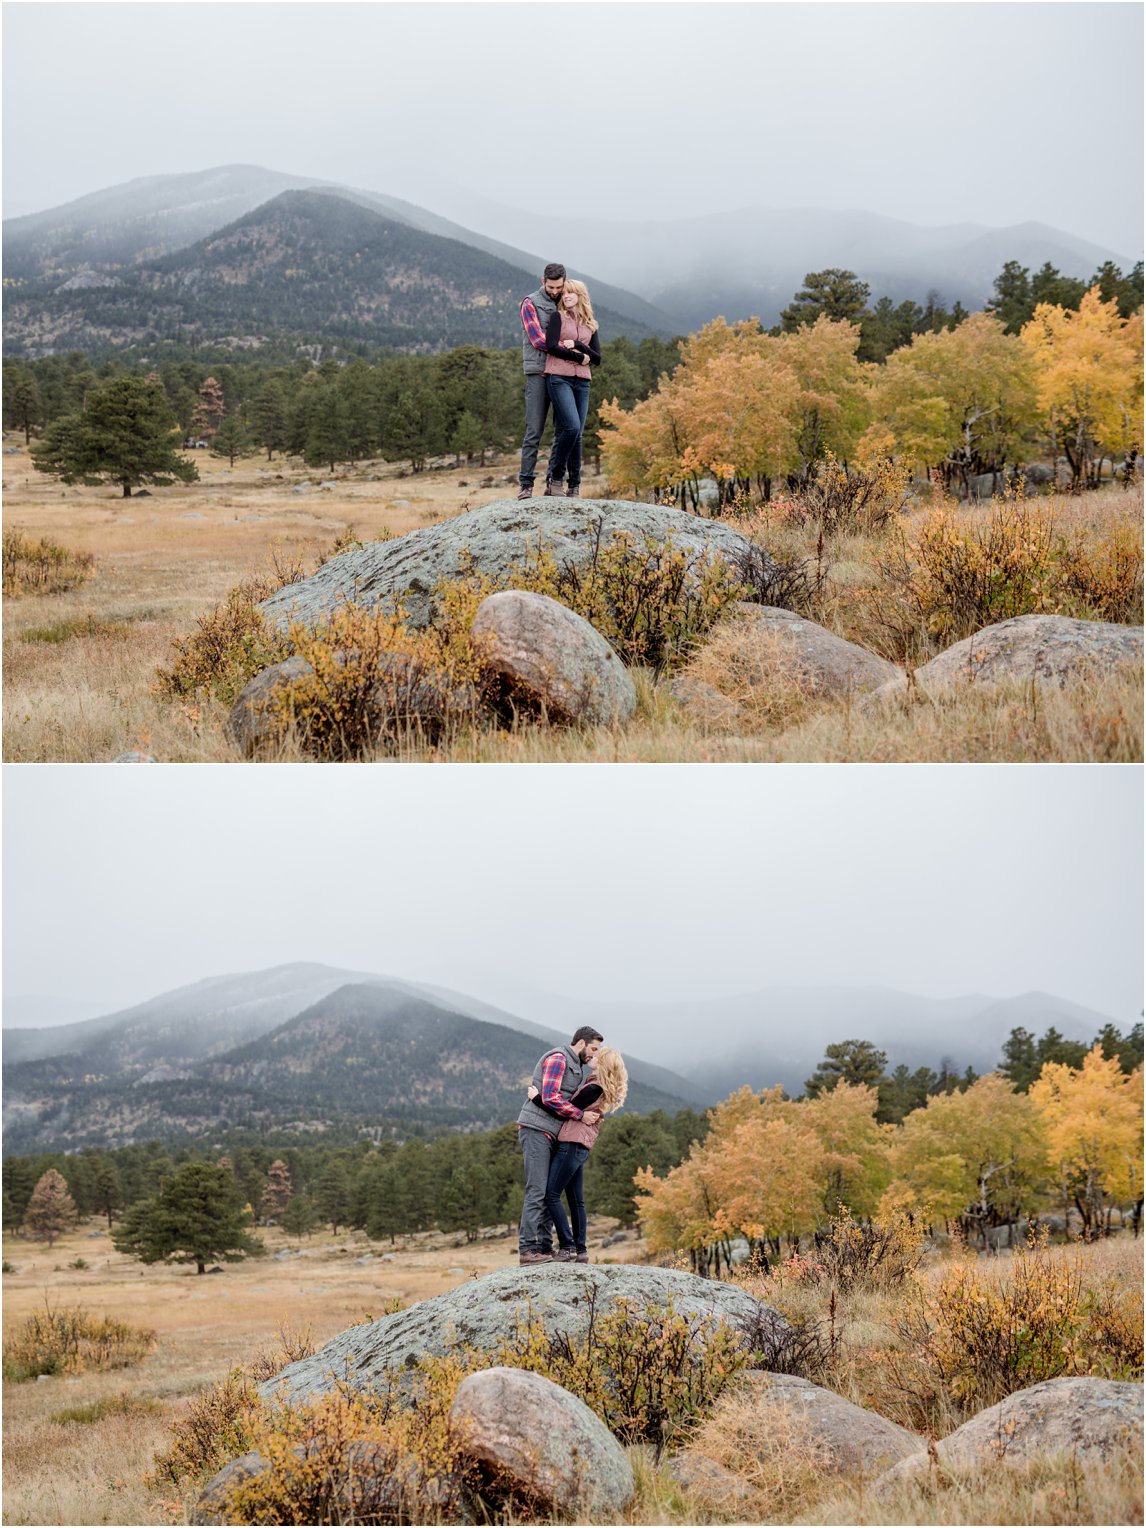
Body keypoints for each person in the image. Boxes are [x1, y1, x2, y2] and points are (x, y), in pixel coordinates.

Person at [516, 1026, 602, 1265]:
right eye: (593, 1049)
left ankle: (543, 1247)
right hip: (536, 1129)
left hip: (552, 1133)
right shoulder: (559, 1058)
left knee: (546, 1191)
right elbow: (552, 1097)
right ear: (582, 1043)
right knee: (537, 1189)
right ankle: (528, 1248)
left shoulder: (577, 1067)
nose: (594, 1055)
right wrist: (579, 1115)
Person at [541, 1046, 628, 1263]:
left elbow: (562, 1108)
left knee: (551, 1194)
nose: (593, 1056)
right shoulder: (597, 1087)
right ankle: (580, 1250)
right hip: (581, 1146)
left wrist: (536, 1098)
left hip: (571, 1143)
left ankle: (568, 1247)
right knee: (576, 1200)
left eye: (598, 1055)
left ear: (603, 1063)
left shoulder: (593, 1088)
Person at [542, 279, 602, 498]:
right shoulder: (558, 317)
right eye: (564, 293)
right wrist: (580, 357)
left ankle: (574, 485)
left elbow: (596, 358)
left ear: (580, 295)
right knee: (571, 428)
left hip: (582, 382)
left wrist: (578, 346)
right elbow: (550, 346)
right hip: (559, 378)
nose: (565, 295)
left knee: (577, 434)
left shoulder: (591, 325)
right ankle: (555, 479)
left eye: (570, 292)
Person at [517, 263, 567, 501]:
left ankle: (553, 483)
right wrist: (571, 350)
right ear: (542, 281)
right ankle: (526, 485)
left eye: (559, 286)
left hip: (562, 373)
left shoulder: (567, 300)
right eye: (551, 286)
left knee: (562, 430)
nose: (555, 291)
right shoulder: (530, 303)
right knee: (534, 430)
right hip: (538, 372)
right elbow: (538, 339)